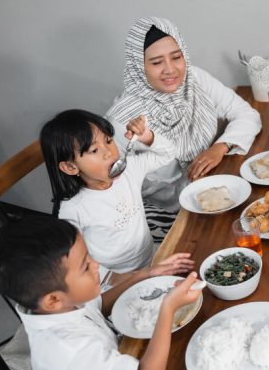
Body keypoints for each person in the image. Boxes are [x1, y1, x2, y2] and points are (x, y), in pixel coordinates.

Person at [0, 216, 203, 370]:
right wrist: (168, 308)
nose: (97, 265)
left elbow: (98, 305)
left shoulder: (57, 307)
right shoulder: (69, 350)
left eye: (89, 256)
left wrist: (144, 275)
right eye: (85, 266)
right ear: (53, 299)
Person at [106, 16, 262, 215]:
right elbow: (115, 184)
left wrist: (219, 148)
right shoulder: (121, 120)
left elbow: (247, 115)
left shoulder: (194, 79)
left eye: (177, 57)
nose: (170, 69)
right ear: (139, 66)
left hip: (217, 184)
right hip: (166, 211)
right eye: (156, 62)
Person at [41, 109, 178, 284]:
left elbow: (168, 152)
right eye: (94, 150)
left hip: (152, 255)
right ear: (70, 167)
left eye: (109, 140)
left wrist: (147, 136)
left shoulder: (130, 170)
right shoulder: (72, 209)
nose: (109, 153)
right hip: (115, 277)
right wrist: (114, 278)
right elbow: (73, 257)